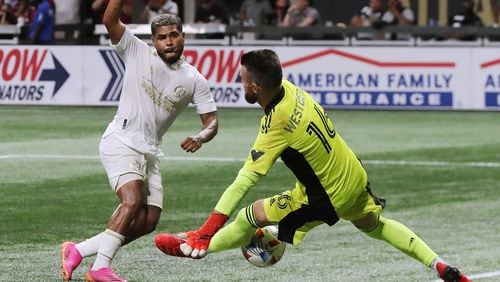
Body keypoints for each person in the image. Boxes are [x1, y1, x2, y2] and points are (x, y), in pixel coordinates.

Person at [155, 49, 471, 282]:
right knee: (374, 226)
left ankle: (196, 245)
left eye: (243, 81)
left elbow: (243, 182)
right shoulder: (291, 90)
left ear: (255, 88)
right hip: (353, 175)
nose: (241, 84)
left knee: (249, 215)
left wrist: (208, 228)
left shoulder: (275, 124)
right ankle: (438, 265)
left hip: (325, 197)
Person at [59, 0, 219, 280]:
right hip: (121, 140)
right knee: (131, 200)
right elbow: (110, 19)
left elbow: (212, 121)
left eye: (173, 35)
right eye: (161, 37)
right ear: (153, 41)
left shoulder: (194, 79)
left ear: (182, 35)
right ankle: (100, 268)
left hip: (150, 151)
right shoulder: (137, 51)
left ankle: (78, 250)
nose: (168, 42)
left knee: (148, 221)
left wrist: (201, 136)